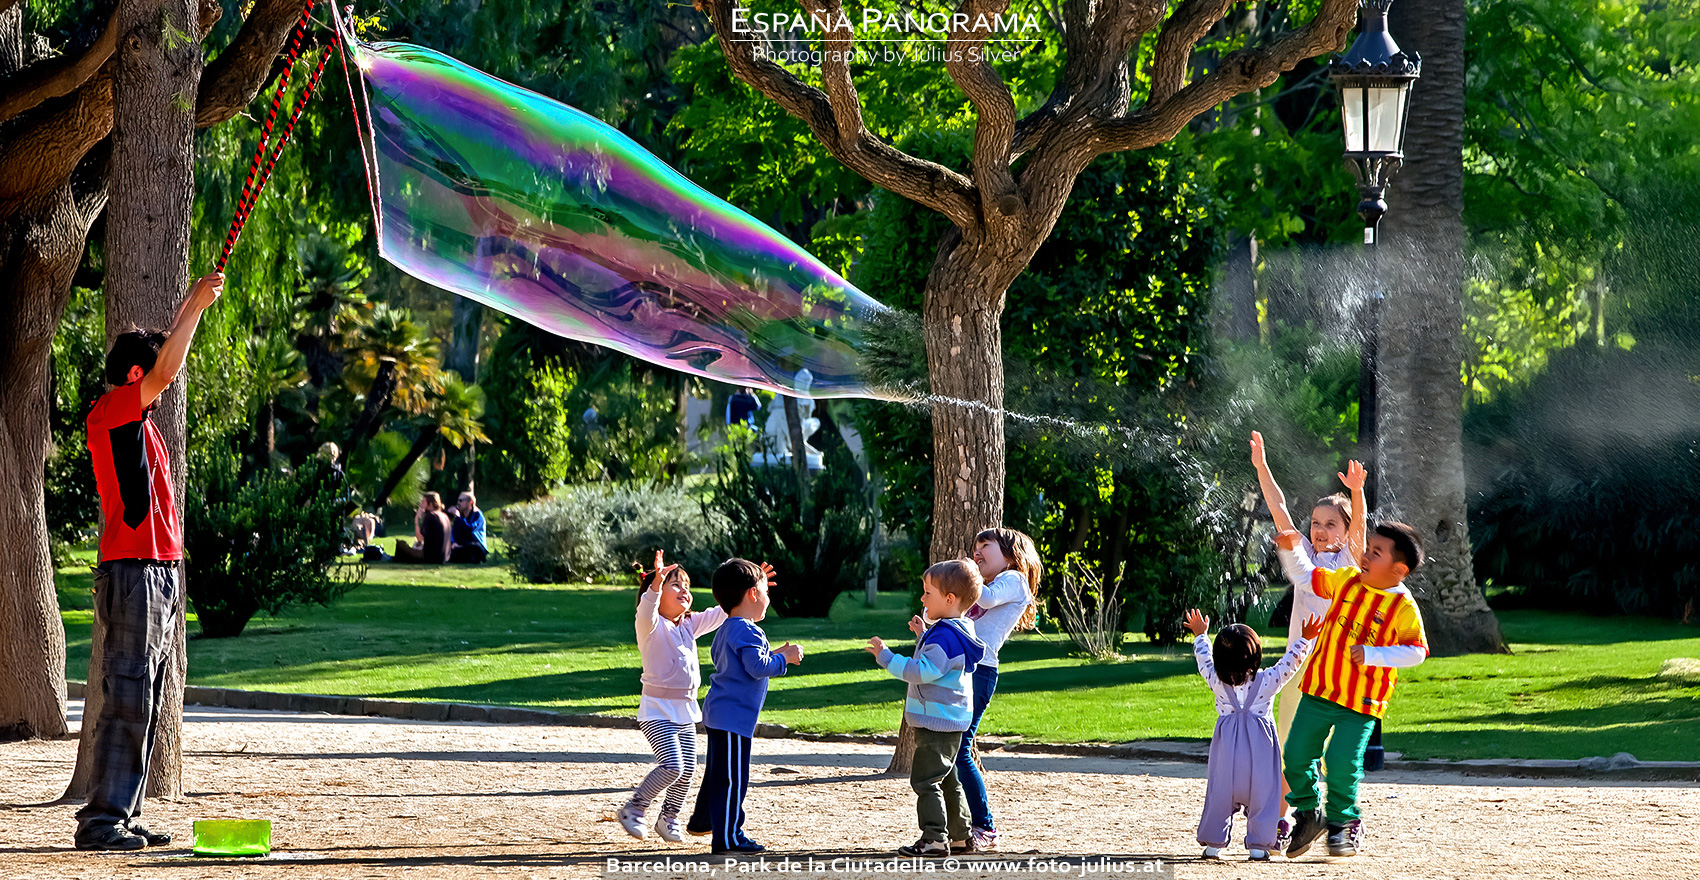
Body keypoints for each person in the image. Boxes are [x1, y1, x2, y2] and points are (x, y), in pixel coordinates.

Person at [75, 271, 224, 851]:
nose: (165, 383)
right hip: (133, 572)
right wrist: (197, 308)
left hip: (158, 571)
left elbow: (163, 368)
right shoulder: (111, 411)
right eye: (154, 371)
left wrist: (189, 302)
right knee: (128, 695)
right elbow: (167, 369)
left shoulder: (141, 425)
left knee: (149, 697)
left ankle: (124, 814)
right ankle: (101, 822)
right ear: (136, 375)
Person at [1275, 522, 1429, 858]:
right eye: (1367, 547)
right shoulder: (1345, 578)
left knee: (1341, 762)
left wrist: (1373, 654)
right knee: (1296, 756)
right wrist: (1290, 549)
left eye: (1376, 552)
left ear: (1398, 569)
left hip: (1360, 704)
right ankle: (1308, 814)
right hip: (1318, 691)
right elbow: (1307, 578)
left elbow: (1417, 651)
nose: (1365, 554)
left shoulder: (1403, 606)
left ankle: (1341, 825)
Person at [1249, 431, 1368, 782]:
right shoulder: (1304, 554)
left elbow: (1360, 527)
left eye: (1330, 524)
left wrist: (1357, 493)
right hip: (1297, 667)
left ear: (1345, 532)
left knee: (1333, 757)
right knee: (1289, 751)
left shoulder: (1350, 557)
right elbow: (1279, 508)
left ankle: (1343, 820)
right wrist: (1262, 466)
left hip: (1335, 672)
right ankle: (1292, 820)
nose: (1320, 529)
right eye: (1316, 522)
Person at [928, 527, 1041, 852]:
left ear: (1009, 554)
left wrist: (966, 574)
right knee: (955, 746)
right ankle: (962, 827)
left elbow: (985, 598)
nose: (977, 553)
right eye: (975, 548)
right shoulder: (993, 583)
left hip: (980, 672)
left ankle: (984, 828)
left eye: (984, 547)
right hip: (964, 670)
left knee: (961, 747)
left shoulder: (1014, 579)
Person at [868, 559, 987, 858]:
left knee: (924, 780)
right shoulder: (954, 630)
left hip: (936, 721)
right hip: (950, 720)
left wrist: (887, 658)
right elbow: (941, 665)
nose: (922, 598)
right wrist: (923, 636)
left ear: (949, 599)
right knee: (948, 779)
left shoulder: (946, 636)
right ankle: (961, 837)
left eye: (927, 592)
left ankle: (934, 838)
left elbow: (922, 671)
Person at [1185, 608, 1321, 862]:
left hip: (1227, 758)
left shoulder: (1216, 681)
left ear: (1220, 660)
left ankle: (1214, 845)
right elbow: (1288, 665)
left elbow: (1203, 661)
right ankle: (1258, 846)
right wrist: (1304, 639)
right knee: (1264, 799)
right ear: (1255, 656)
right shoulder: (1267, 681)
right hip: (1258, 758)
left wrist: (1200, 635)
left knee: (1219, 797)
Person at [685, 558, 801, 854]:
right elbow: (756, 666)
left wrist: (777, 653)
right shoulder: (747, 630)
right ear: (752, 594)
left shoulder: (727, 628)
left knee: (718, 773)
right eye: (765, 591)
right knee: (733, 779)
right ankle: (728, 837)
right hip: (734, 718)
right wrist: (784, 660)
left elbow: (743, 663)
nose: (767, 598)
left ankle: (703, 820)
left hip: (721, 713)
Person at [617, 551, 727, 842]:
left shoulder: (689, 624)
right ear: (658, 590)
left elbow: (723, 611)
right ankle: (634, 808)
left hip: (686, 711)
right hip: (656, 711)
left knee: (687, 771)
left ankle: (668, 818)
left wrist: (749, 587)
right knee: (672, 766)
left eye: (687, 587)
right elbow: (647, 608)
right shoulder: (649, 625)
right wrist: (657, 582)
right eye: (675, 585)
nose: (684, 591)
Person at [393, 492, 451, 564]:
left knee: (400, 544)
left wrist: (416, 519)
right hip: (444, 557)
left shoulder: (431, 516)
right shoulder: (445, 516)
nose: (421, 505)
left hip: (430, 558)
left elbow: (419, 539)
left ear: (430, 504)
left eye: (423, 502)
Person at [448, 490, 488, 563]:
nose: (458, 503)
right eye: (458, 500)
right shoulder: (460, 517)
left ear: (470, 503)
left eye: (461, 501)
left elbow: (471, 531)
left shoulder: (478, 515)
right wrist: (453, 543)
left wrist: (459, 517)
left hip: (475, 545)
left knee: (475, 547)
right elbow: (454, 532)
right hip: (462, 546)